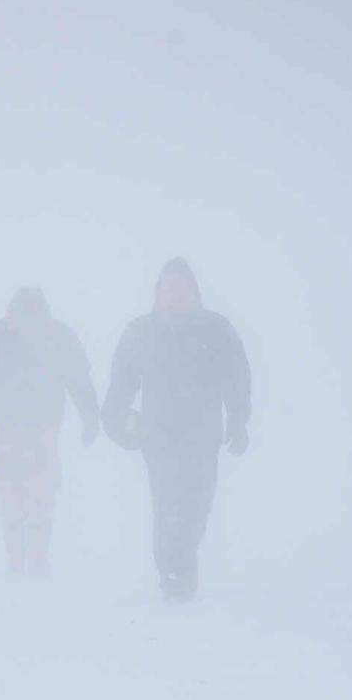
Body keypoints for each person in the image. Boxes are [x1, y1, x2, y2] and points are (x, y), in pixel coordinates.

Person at [102, 258, 251, 602]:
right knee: (167, 504)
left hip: (203, 434)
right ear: (157, 294)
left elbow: (237, 377)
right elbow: (122, 382)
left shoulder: (216, 329)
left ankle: (181, 561)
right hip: (157, 434)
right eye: (168, 288)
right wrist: (115, 421)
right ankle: (173, 574)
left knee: (197, 505)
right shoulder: (141, 331)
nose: (175, 294)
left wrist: (239, 420)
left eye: (182, 287)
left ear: (195, 292)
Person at [0, 288, 99, 577]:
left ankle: (37, 557)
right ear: (11, 313)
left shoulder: (59, 337)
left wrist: (90, 418)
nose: (26, 321)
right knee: (8, 491)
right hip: (2, 426)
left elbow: (79, 380)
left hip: (43, 426)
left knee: (41, 489)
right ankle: (16, 557)